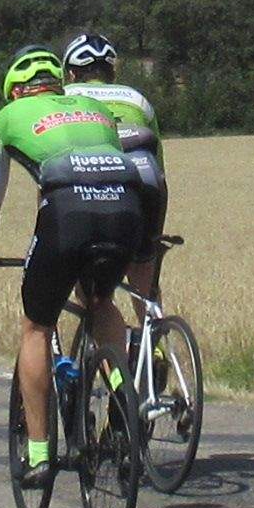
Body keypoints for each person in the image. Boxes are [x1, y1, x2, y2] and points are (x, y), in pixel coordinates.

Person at [0, 45, 145, 489]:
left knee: (36, 326)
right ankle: (125, 396)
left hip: (68, 215)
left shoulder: (6, 119)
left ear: (14, 91)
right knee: (100, 302)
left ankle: (40, 454)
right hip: (127, 209)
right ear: (57, 83)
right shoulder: (91, 106)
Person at [59, 32, 169, 305]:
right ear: (111, 71)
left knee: (93, 291)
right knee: (143, 274)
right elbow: (160, 167)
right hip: (146, 184)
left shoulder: (63, 96)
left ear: (71, 73)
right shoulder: (137, 99)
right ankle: (154, 340)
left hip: (90, 189)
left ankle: (106, 340)